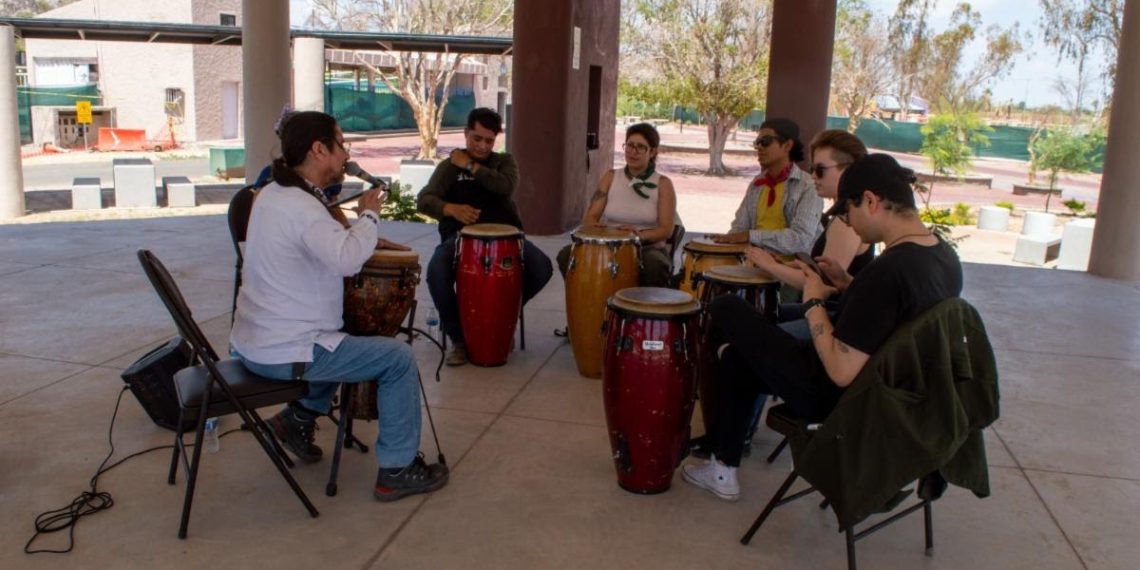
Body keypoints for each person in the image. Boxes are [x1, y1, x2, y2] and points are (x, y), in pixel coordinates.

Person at [682, 153, 964, 502]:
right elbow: (892, 312)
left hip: (842, 399)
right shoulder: (941, 256)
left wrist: (815, 300)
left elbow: (841, 370)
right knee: (739, 360)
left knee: (727, 308)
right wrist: (847, 285)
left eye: (848, 212)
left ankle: (708, 429)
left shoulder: (889, 272)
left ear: (872, 201)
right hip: (896, 396)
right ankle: (723, 468)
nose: (849, 223)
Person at [230, 111, 448, 503]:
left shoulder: (273, 195)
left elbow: (322, 242)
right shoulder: (302, 207)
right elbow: (347, 260)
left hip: (253, 340)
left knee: (340, 334)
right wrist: (368, 215)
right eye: (340, 144)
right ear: (318, 150)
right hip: (285, 350)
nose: (345, 153)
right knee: (395, 358)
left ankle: (295, 420)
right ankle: (397, 470)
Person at [417, 107, 554, 367]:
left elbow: (504, 187)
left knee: (542, 267)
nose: (481, 145)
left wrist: (469, 165)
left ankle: (501, 320)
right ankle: (459, 338)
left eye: (488, 140)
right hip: (461, 239)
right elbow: (424, 200)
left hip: (508, 239)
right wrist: (451, 209)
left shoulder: (504, 162)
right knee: (436, 272)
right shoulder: (449, 167)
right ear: (466, 133)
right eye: (476, 138)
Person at [746, 130, 874, 331]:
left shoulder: (848, 222)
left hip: (837, 319)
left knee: (749, 327)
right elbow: (823, 270)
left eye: (820, 170)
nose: (813, 175)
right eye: (813, 168)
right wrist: (787, 263)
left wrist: (770, 265)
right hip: (831, 310)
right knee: (756, 314)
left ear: (849, 170)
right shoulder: (842, 215)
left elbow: (821, 285)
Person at [555, 122, 678, 287]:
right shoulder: (611, 177)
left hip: (646, 248)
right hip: (609, 244)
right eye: (629, 145)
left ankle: (641, 311)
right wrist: (609, 233)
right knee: (566, 256)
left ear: (653, 151)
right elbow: (590, 217)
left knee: (654, 265)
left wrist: (636, 236)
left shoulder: (663, 184)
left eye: (640, 147)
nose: (633, 152)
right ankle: (587, 306)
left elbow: (666, 230)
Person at [709, 118, 822, 254]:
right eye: (757, 142)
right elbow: (739, 229)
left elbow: (800, 239)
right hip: (755, 265)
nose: (759, 147)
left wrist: (750, 236)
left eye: (766, 141)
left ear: (787, 145)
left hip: (793, 271)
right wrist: (725, 243)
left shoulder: (808, 186)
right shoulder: (757, 184)